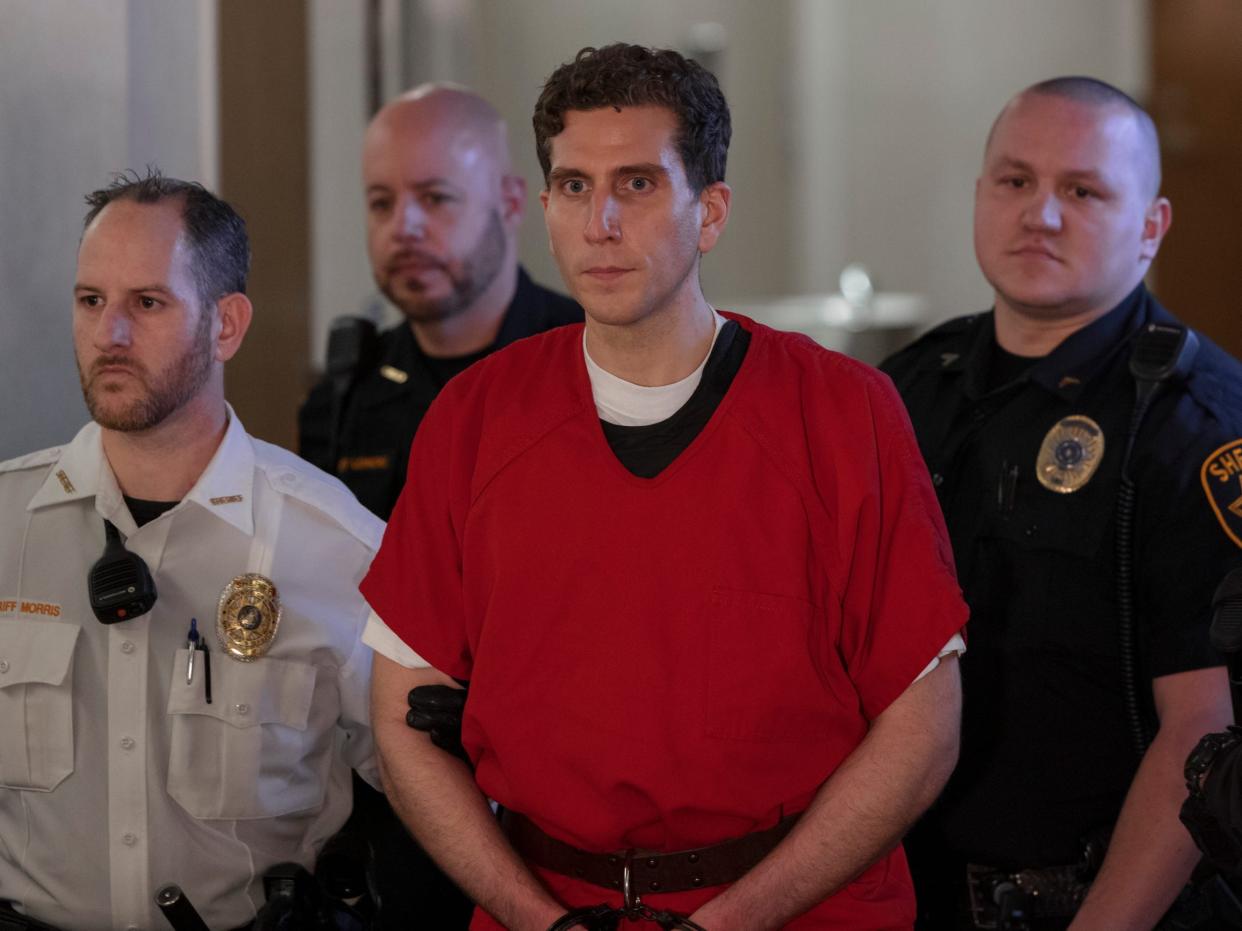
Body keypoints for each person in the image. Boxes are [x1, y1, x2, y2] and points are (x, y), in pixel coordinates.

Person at [361, 43, 968, 930]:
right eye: (574, 186)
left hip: (799, 906)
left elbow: (923, 733)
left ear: (710, 211)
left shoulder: (843, 414)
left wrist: (728, 922)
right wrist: (537, 918)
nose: (600, 220)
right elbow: (401, 724)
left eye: (638, 184)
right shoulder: (475, 418)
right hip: (547, 907)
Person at [881, 77, 1242, 929]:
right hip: (911, 894)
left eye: (1082, 191)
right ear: (981, 196)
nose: (1040, 214)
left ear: (1151, 227)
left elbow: (1204, 730)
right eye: (1015, 182)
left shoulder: (1196, 425)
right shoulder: (905, 391)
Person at [0, 172, 381, 930]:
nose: (109, 333)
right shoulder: (10, 523)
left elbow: (436, 790)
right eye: (90, 301)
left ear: (226, 324)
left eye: (147, 303)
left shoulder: (337, 545)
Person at [297, 83, 581, 522]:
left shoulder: (591, 363)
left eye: (435, 198)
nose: (403, 227)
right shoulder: (343, 402)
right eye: (381, 203)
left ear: (508, 204)